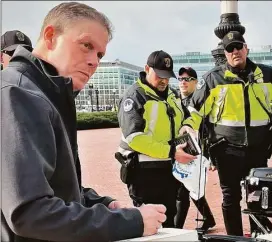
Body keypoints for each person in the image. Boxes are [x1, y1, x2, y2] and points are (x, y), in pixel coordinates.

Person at [1, 2, 166, 242]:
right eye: (86, 45)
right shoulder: (17, 94)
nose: (94, 61)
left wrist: (105, 204)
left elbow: (57, 187)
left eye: (100, 54)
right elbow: (29, 213)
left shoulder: (44, 93)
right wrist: (132, 222)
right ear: (50, 36)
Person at [180, 31, 272, 235]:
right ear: (225, 54)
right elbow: (195, 111)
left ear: (246, 49)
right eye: (229, 49)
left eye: (238, 46)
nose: (235, 51)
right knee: (230, 197)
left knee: (258, 195)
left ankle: (258, 235)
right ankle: (234, 237)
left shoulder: (266, 74)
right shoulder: (213, 79)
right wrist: (188, 127)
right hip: (226, 150)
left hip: (259, 147)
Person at [117, 50, 196, 228]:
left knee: (169, 218)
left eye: (167, 76)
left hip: (169, 169)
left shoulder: (172, 94)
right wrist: (171, 152)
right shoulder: (134, 96)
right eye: (160, 75)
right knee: (150, 224)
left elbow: (187, 116)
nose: (164, 81)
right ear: (147, 69)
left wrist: (187, 126)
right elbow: (134, 138)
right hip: (143, 172)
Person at [174, 67, 216, 231]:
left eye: (188, 79)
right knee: (187, 188)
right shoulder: (174, 100)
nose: (183, 82)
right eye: (180, 79)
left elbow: (210, 129)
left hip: (197, 151)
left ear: (196, 82)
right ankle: (208, 218)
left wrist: (210, 157)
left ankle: (177, 229)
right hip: (179, 148)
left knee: (185, 189)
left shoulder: (200, 102)